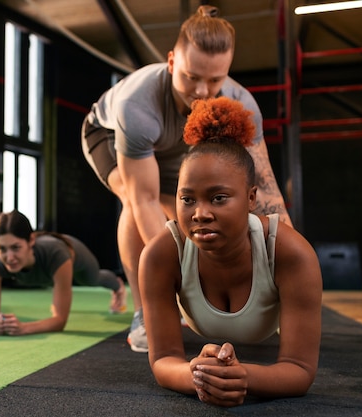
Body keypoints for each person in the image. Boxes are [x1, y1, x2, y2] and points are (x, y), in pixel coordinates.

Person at [81, 5, 292, 353]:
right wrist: (191, 271)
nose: (203, 90)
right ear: (171, 62)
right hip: (106, 135)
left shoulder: (241, 104)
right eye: (192, 76)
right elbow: (144, 200)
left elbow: (265, 192)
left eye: (214, 79)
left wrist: (284, 270)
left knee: (186, 199)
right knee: (134, 201)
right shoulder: (137, 104)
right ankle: (143, 311)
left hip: (173, 148)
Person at [139, 96, 322, 406]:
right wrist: (199, 374)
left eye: (219, 198)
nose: (200, 213)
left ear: (252, 198)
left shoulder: (291, 253)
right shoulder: (161, 254)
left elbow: (300, 369)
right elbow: (164, 360)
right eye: (187, 200)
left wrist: (243, 377)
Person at [0, 210, 127, 336]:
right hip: (50, 270)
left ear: (31, 240)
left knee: (91, 279)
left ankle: (118, 286)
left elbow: (59, 321)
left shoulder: (56, 254)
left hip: (74, 257)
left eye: (16, 247)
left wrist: (23, 328)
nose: (9, 257)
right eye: (2, 249)